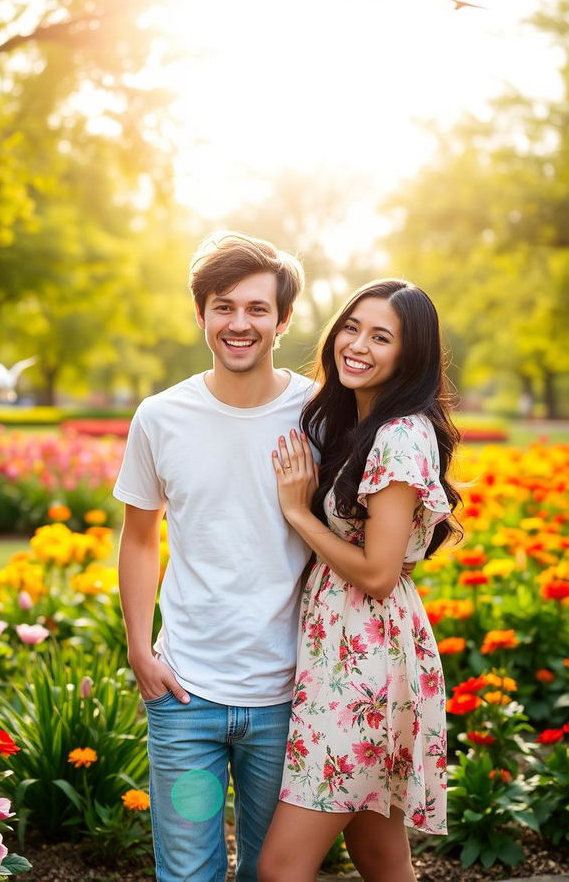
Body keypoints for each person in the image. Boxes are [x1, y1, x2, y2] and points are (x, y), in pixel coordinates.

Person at [113, 232, 315, 882]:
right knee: (188, 874)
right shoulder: (161, 417)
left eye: (257, 309)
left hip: (287, 699)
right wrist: (140, 650)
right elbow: (140, 536)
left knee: (273, 872)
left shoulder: (317, 413)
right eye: (223, 307)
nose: (239, 323)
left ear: (283, 320)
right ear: (200, 314)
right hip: (185, 700)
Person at [258, 279, 462, 882]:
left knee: (280, 868)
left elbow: (376, 573)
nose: (358, 345)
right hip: (351, 654)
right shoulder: (365, 425)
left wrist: (298, 513)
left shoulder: (400, 436)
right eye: (352, 327)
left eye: (382, 337)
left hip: (363, 670)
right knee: (379, 858)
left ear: (410, 355)